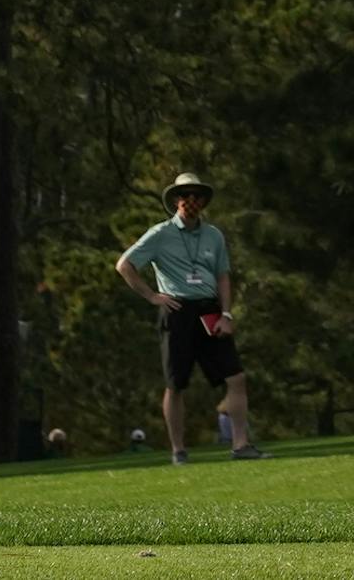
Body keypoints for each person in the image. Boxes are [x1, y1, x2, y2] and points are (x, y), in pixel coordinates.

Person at [114, 172, 270, 464]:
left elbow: (223, 275)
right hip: (177, 311)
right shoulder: (160, 234)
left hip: (210, 311)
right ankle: (178, 451)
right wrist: (152, 296)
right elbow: (124, 265)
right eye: (185, 195)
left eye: (196, 196)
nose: (191, 201)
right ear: (176, 201)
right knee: (176, 383)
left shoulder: (213, 235)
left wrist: (226, 313)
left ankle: (241, 445)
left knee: (235, 377)